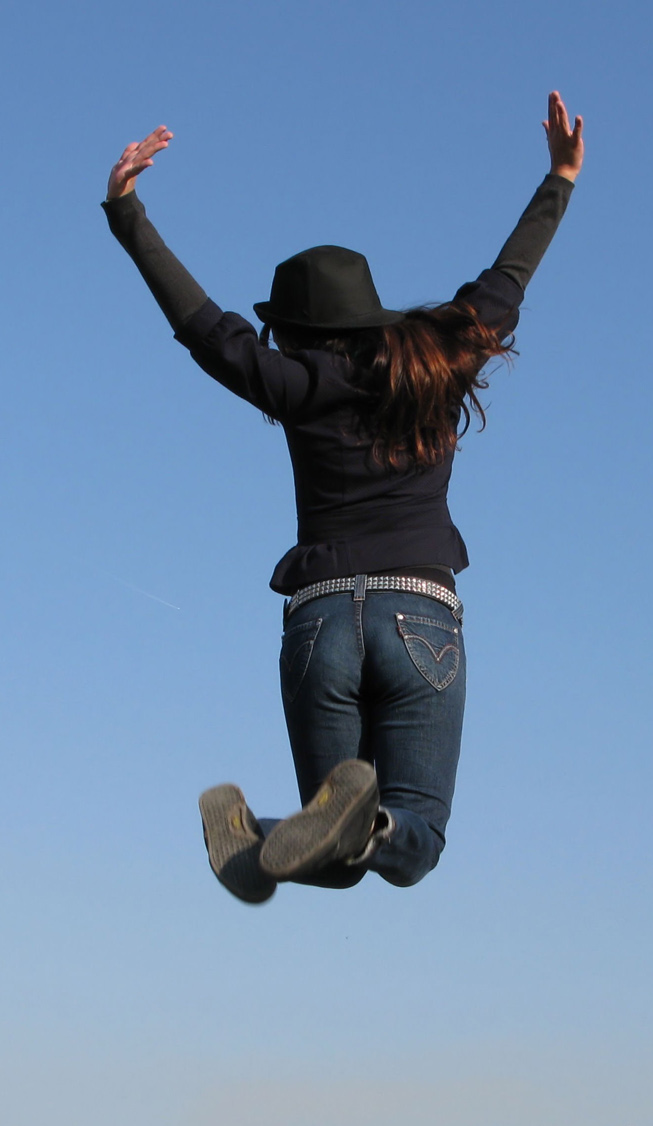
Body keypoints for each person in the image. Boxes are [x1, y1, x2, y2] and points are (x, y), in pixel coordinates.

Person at [103, 93, 584, 903]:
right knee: (411, 841)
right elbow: (507, 282)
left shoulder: (295, 383)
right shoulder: (438, 364)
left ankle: (272, 836)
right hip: (420, 617)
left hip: (320, 620)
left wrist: (129, 215)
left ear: (293, 332)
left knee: (330, 847)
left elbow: (206, 328)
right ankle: (340, 829)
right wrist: (559, 180)